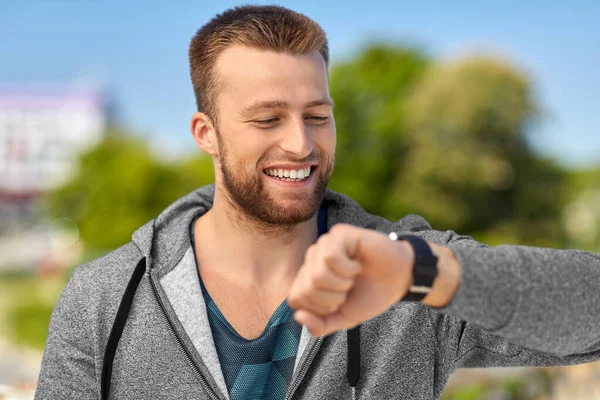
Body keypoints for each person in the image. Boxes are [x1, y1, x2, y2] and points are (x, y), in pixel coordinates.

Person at [35, 5, 600, 400]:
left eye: (317, 116)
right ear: (205, 132)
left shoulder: (407, 275)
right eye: (266, 118)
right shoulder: (102, 301)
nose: (301, 144)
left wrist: (425, 272)